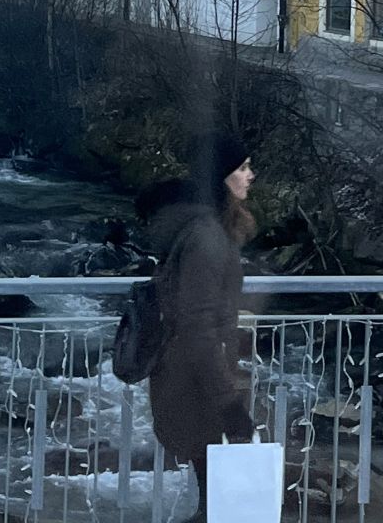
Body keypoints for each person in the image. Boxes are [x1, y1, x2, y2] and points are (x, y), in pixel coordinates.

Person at [136, 131, 258, 521]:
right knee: (219, 506)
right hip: (197, 382)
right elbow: (199, 327)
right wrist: (229, 403)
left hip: (189, 376)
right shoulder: (207, 239)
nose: (250, 175)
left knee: (214, 501)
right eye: (242, 168)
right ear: (221, 177)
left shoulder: (203, 230)